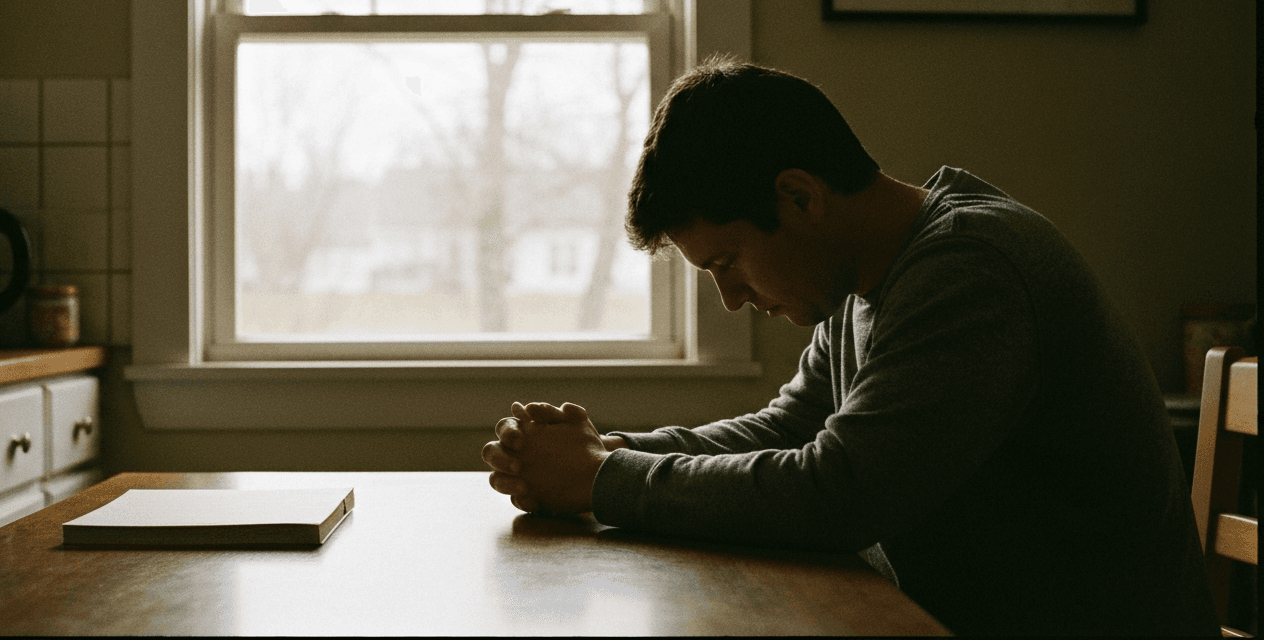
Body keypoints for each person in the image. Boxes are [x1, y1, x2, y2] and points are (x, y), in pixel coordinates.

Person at [480, 55, 1220, 635]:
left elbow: (839, 493)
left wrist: (602, 480)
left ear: (799, 197)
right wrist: (608, 453)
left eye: (726, 262)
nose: (731, 298)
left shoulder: (970, 269)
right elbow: (788, 429)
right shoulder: (863, 281)